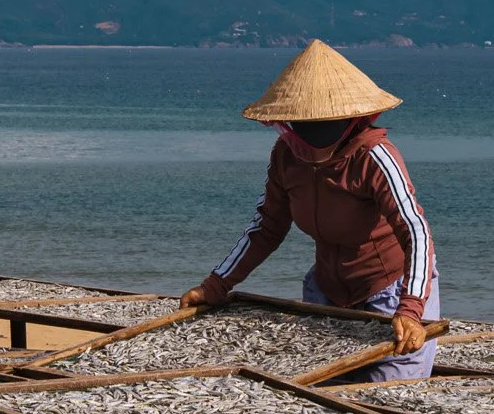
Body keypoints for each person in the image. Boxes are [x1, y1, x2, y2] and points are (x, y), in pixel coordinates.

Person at [181, 40, 440, 383]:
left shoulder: (375, 157)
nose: (308, 151)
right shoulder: (286, 156)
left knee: (388, 391)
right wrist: (215, 285)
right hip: (327, 291)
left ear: (347, 124)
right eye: (299, 134)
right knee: (318, 389)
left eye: (318, 137)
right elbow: (267, 228)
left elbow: (415, 231)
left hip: (390, 292)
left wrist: (410, 309)